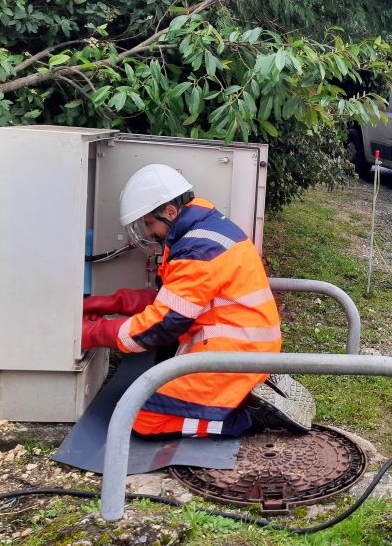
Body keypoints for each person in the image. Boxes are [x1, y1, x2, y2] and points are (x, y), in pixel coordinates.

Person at [81, 163, 314, 438]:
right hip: (244, 348)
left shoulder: (196, 249)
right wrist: (106, 303)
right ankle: (243, 394)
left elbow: (160, 325)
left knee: (141, 417)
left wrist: (91, 333)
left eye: (149, 223)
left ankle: (247, 418)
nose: (147, 233)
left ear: (169, 211)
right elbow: (171, 300)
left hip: (232, 357)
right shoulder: (202, 230)